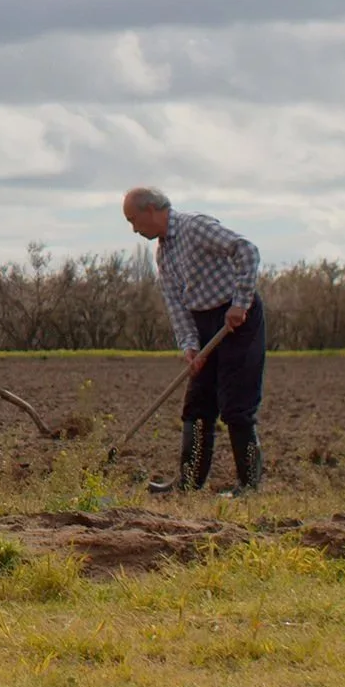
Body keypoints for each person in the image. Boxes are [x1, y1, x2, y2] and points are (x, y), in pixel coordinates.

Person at [122, 188, 264, 494]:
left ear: (150, 210)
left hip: (237, 319)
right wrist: (189, 345)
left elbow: (247, 250)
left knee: (236, 405)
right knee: (197, 404)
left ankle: (249, 485)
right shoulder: (163, 252)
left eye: (134, 220)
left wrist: (240, 303)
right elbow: (176, 303)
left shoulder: (194, 226)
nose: (134, 229)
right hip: (203, 324)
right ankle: (188, 482)